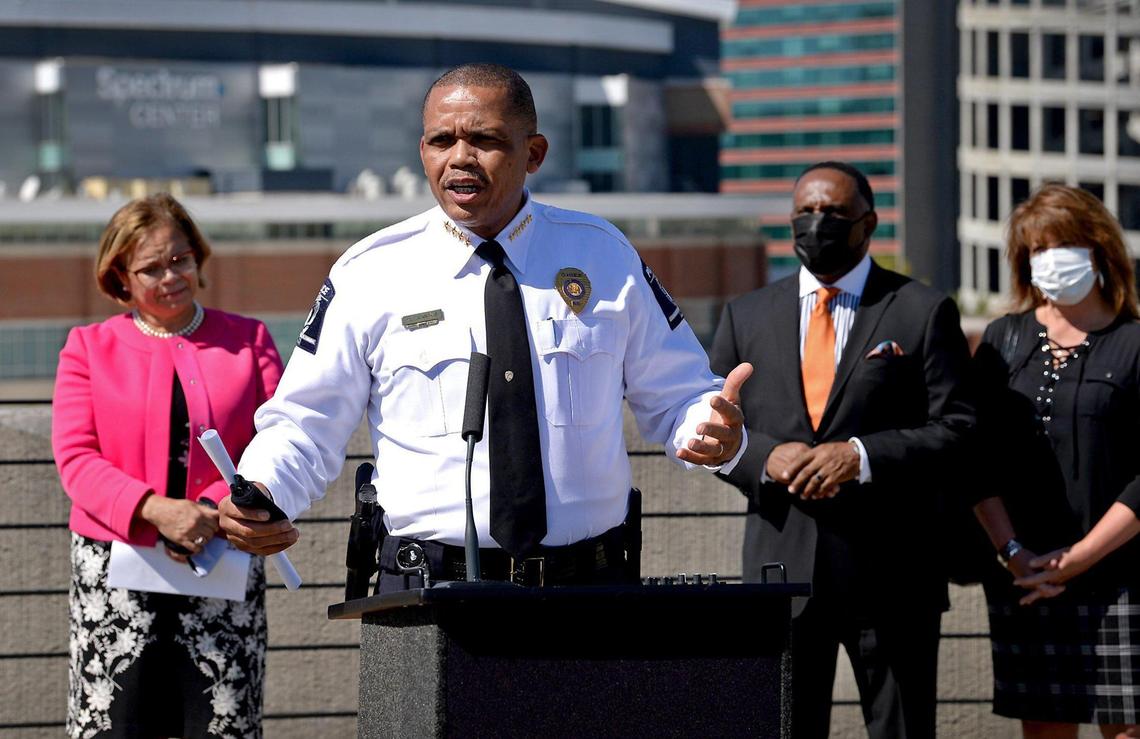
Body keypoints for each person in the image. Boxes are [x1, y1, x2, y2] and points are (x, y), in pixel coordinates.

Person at [220, 62, 751, 590]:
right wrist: (265, 491)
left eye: (484, 140)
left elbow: (680, 394)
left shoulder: (603, 256)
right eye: (440, 140)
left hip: (590, 588)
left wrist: (711, 432)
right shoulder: (370, 273)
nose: (459, 159)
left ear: (534, 153)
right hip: (426, 593)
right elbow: (305, 423)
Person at [708, 162, 975, 738]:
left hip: (894, 571)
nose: (816, 224)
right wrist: (763, 458)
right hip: (782, 567)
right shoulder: (745, 315)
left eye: (832, 213)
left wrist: (862, 454)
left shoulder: (921, 310)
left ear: (868, 223)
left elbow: (959, 428)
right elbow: (709, 426)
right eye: (804, 212)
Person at [51, 193, 284, 738]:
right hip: (115, 574)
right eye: (150, 268)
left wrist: (222, 511)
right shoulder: (88, 347)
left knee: (222, 725)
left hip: (222, 562)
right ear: (121, 278)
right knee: (116, 725)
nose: (170, 276)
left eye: (179, 259)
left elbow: (280, 442)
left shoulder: (249, 341)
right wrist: (155, 510)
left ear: (197, 257)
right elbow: (76, 458)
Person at [970, 184, 1140, 738]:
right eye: (1035, 249)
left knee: (1127, 730)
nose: (1050, 259)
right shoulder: (1004, 339)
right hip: (1028, 574)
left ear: (1098, 249)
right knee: (1043, 730)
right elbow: (977, 457)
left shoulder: (1134, 342)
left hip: (1120, 577)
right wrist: (1013, 552)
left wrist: (1082, 558)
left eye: (1062, 243)